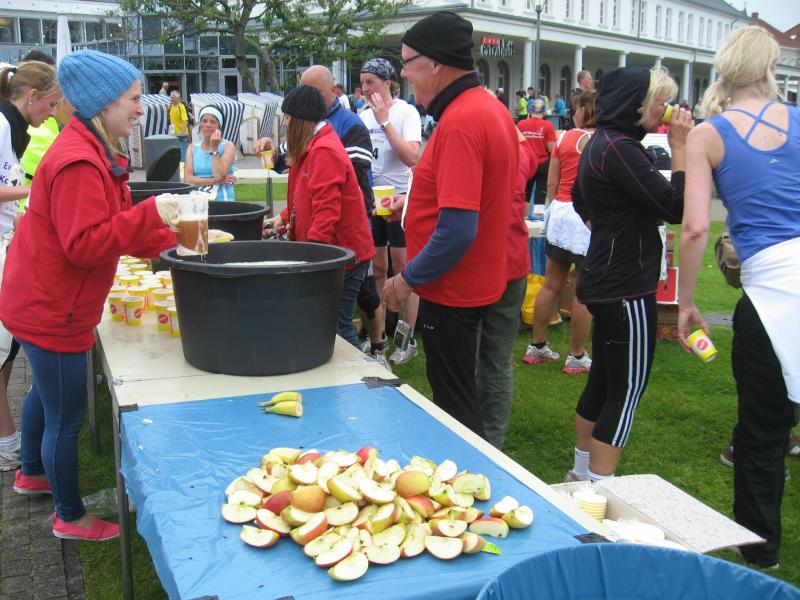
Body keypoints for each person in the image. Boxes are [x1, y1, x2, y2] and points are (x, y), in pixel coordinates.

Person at [0, 49, 179, 540]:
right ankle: (70, 516)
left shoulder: (94, 149)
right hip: (53, 307)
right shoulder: (79, 159)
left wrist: (169, 241)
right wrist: (151, 214)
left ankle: (31, 472)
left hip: (38, 298)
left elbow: (113, 226)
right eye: (133, 99)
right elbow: (84, 244)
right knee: (66, 416)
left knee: (45, 394)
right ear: (104, 103)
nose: (141, 108)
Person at [677, 26, 800, 570]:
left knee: (761, 431)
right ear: (771, 68)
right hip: (778, 280)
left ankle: (761, 549)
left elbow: (695, 228)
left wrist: (685, 304)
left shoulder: (708, 134)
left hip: (770, 294)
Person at [382, 11, 518, 438]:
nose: (404, 74)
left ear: (436, 63)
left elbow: (457, 230)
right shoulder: (487, 108)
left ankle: (470, 477)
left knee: (456, 408)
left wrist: (405, 280)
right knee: (461, 396)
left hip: (454, 289)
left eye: (407, 62)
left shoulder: (462, 120)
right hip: (474, 281)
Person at [566, 66, 692, 482]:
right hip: (626, 289)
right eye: (660, 101)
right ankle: (598, 490)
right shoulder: (622, 148)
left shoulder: (600, 142)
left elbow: (579, 196)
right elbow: (675, 207)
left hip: (604, 280)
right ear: (636, 104)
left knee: (603, 382)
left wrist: (609, 227)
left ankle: (581, 476)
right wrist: (679, 147)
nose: (666, 109)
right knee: (626, 391)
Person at [263, 85, 374, 348]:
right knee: (329, 325)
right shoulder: (311, 147)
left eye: (288, 118)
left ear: (301, 120)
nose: (285, 124)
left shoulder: (324, 151)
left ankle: (361, 372)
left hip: (343, 254)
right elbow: (307, 196)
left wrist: (312, 255)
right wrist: (284, 218)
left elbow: (326, 211)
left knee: (338, 329)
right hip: (334, 252)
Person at [0, 59, 62, 472]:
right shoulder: (3, 125)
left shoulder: (13, 126)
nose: (52, 114)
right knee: (3, 349)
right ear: (33, 96)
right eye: (51, 105)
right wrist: (36, 188)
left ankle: (8, 440)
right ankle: (8, 443)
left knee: (8, 350)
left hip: (7, 239)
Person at [524, 90, 596, 374]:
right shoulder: (599, 141)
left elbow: (552, 184)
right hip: (585, 217)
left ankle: (537, 345)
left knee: (551, 283)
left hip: (561, 212)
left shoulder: (563, 137)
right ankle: (576, 355)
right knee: (583, 289)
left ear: (582, 110)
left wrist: (552, 213)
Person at [359, 58, 422, 365]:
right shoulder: (361, 116)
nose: (365, 88)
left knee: (403, 268)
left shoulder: (406, 112)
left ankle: (407, 340)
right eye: (362, 83)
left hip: (400, 200)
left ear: (388, 83)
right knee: (377, 269)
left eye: (370, 82)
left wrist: (384, 121)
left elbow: (412, 157)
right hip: (373, 201)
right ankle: (378, 339)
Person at [478, 126, 536, 449]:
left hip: (482, 264)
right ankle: (492, 441)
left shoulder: (480, 154)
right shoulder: (520, 153)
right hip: (512, 261)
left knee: (474, 358)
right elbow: (526, 149)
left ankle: (475, 435)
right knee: (497, 360)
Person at [184, 106, 236, 201]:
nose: (208, 125)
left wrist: (214, 149)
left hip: (222, 199)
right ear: (200, 125)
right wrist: (214, 181)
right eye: (204, 121)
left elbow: (219, 176)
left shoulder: (228, 146)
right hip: (198, 199)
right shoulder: (192, 148)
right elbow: (188, 179)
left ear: (219, 126)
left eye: (213, 122)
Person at [518, 98, 556, 205]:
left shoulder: (521, 124)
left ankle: (524, 213)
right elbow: (552, 148)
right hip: (542, 163)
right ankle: (539, 213)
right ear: (543, 112)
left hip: (526, 163)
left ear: (530, 111)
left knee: (524, 194)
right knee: (541, 195)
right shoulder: (548, 125)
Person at [169, 91, 190, 162]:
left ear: (178, 98)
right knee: (175, 156)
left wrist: (182, 134)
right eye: (171, 97)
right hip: (174, 135)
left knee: (182, 156)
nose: (171, 99)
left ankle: (182, 167)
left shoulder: (181, 107)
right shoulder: (171, 106)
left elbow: (185, 121)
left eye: (173, 98)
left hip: (181, 136)